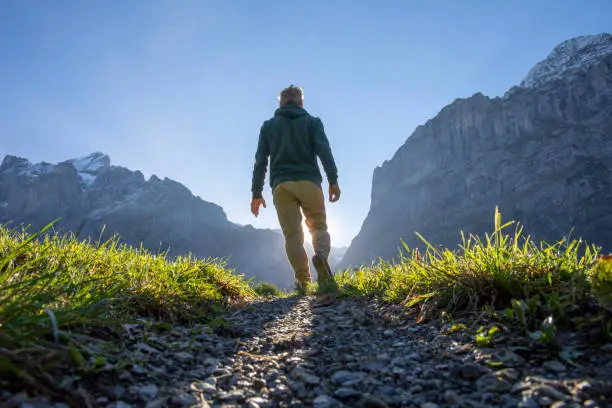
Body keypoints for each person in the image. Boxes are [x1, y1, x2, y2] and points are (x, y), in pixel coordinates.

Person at [250, 85, 340, 293]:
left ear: (280, 103)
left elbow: (260, 161)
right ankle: (321, 257)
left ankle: (303, 282)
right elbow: (324, 151)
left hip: (282, 186)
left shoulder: (268, 126)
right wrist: (333, 180)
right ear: (301, 102)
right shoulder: (312, 122)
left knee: (292, 236)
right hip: (309, 182)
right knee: (318, 227)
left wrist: (256, 193)